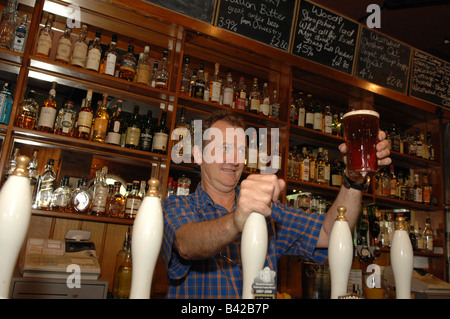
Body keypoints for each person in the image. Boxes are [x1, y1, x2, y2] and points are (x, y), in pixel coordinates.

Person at [162, 109, 391, 299]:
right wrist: (236, 220)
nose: (234, 160)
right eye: (223, 149)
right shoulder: (177, 207)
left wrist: (355, 179)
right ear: (199, 155)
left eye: (240, 151)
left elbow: (331, 233)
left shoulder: (269, 213)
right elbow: (186, 245)